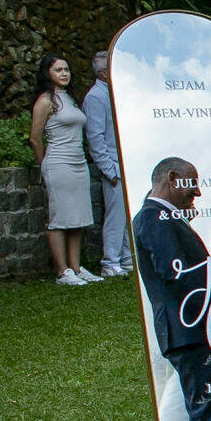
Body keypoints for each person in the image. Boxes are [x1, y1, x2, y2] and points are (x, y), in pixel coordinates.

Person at [132, 157, 211, 421]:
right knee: (207, 410)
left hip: (188, 328)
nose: (198, 193)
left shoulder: (161, 218)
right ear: (173, 177)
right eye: (192, 182)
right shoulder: (154, 218)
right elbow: (174, 273)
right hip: (190, 328)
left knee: (206, 407)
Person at [29, 54, 100, 286]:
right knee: (59, 218)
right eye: (58, 70)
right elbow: (35, 139)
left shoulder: (69, 98)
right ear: (47, 73)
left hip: (78, 162)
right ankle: (62, 271)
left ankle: (76, 267)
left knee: (77, 216)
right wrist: (44, 167)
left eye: (66, 69)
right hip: (58, 163)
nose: (64, 73)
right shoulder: (45, 100)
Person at [82, 52, 130, 278]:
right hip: (113, 165)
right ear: (103, 73)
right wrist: (109, 169)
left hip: (123, 164)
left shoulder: (115, 93)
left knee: (127, 214)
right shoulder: (95, 97)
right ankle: (110, 261)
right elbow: (95, 137)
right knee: (115, 216)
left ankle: (127, 259)